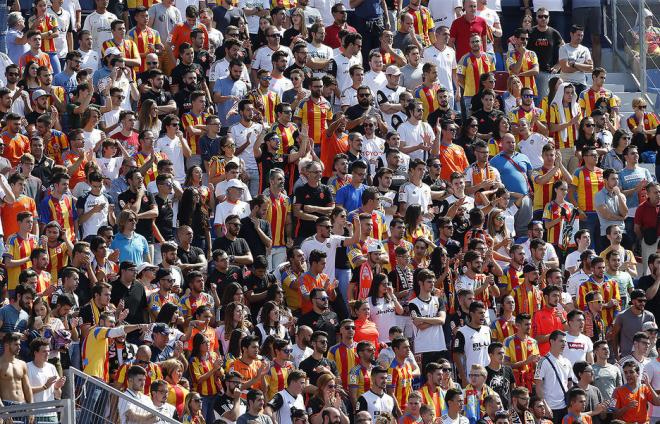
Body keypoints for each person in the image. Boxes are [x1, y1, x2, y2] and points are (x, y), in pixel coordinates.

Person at [534, 330, 575, 423]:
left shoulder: (567, 362)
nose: (564, 344)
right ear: (552, 341)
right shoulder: (543, 362)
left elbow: (570, 383)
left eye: (565, 341)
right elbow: (538, 386)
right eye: (561, 341)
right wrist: (544, 405)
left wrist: (569, 403)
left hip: (565, 407)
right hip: (550, 408)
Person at [0, 332, 33, 421]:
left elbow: (27, 387)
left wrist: (31, 407)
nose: (19, 347)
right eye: (16, 345)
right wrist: (3, 410)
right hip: (6, 406)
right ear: (7, 345)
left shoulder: (22, 364)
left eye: (19, 344)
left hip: (22, 405)